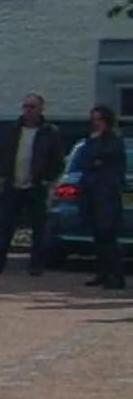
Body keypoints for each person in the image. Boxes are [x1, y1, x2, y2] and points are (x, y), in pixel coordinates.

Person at [0, 92, 64, 276]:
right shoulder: (13, 130)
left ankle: (36, 265)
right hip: (13, 184)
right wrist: (2, 174)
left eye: (32, 107)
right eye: (25, 107)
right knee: (5, 226)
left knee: (38, 228)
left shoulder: (49, 132)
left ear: (40, 109)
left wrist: (47, 179)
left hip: (36, 186)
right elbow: (3, 153)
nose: (28, 111)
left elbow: (57, 160)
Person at [78, 105, 125, 290]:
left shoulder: (114, 141)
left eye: (100, 120)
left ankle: (116, 275)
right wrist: (95, 160)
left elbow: (106, 156)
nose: (96, 123)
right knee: (98, 235)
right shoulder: (90, 140)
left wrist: (97, 158)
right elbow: (85, 159)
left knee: (108, 235)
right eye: (94, 120)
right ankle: (102, 272)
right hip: (91, 193)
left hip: (107, 194)